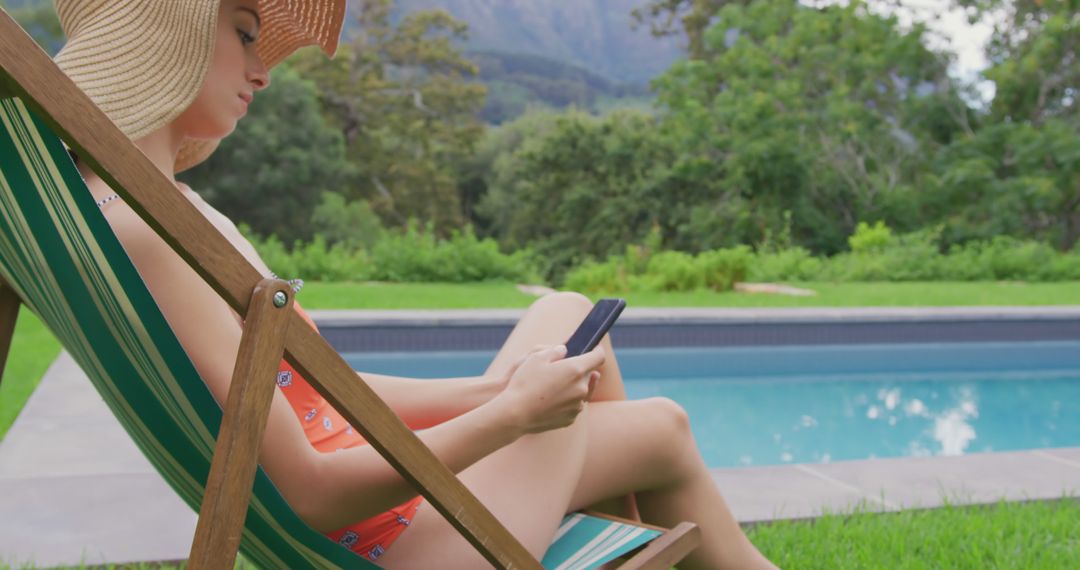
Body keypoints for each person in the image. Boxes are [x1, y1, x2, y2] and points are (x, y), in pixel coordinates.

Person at [56, 0, 778, 567]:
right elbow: (310, 494)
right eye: (246, 34)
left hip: (397, 514)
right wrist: (513, 418)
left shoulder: (134, 214)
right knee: (660, 427)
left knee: (565, 313)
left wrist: (497, 391)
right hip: (410, 546)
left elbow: (314, 387)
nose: (265, 69)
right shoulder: (150, 235)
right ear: (165, 35)